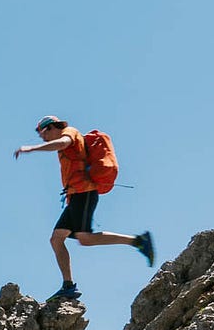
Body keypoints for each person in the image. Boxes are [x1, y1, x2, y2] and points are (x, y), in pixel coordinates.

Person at [14, 116, 153, 301]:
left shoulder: (69, 132)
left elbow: (63, 143)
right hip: (75, 196)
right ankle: (68, 286)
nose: (43, 138)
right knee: (56, 239)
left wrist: (31, 149)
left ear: (52, 128)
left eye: (43, 134)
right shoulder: (63, 137)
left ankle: (139, 241)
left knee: (85, 239)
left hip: (84, 193)